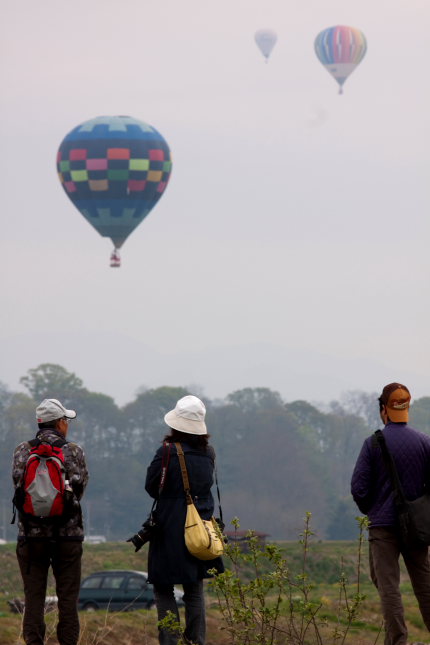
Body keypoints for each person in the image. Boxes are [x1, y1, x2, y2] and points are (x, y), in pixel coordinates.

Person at [351, 383, 430, 645]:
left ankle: (397, 641)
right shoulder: (424, 442)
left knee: (388, 588)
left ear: (383, 409)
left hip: (383, 527)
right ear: (406, 407)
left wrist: (373, 509)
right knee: (424, 586)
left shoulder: (373, 443)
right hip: (417, 528)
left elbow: (359, 488)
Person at [144, 395, 224, 645]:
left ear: (175, 424)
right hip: (200, 527)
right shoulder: (208, 454)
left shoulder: (167, 452)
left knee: (163, 586)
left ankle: (169, 640)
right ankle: (195, 641)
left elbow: (151, 487)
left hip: (169, 527)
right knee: (194, 588)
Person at [12, 398, 89, 645]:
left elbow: (18, 487)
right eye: (65, 420)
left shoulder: (22, 451)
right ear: (59, 423)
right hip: (68, 536)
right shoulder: (74, 451)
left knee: (34, 598)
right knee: (68, 600)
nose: (67, 424)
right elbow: (79, 488)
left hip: (32, 537)